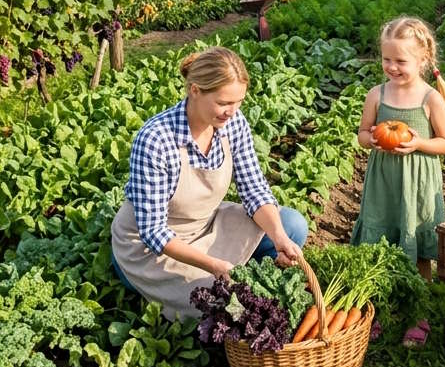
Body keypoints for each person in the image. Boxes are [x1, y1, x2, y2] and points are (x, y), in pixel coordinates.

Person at [111, 46, 307, 320]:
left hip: (206, 225)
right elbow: (154, 232)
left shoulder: (233, 123)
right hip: (152, 249)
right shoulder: (156, 140)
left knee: (291, 226)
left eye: (238, 102)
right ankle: (210, 279)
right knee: (220, 302)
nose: (232, 111)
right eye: (224, 103)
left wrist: (279, 237)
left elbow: (254, 190)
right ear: (195, 90)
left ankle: (235, 274)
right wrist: (213, 264)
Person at [352, 16, 445, 281]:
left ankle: (420, 295)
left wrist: (419, 143)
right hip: (383, 182)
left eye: (401, 61)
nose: (392, 67)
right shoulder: (377, 95)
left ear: (423, 60)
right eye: (387, 59)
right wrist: (371, 140)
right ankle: (380, 290)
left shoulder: (430, 99)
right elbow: (362, 134)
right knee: (381, 239)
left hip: (417, 183)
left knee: (416, 240)